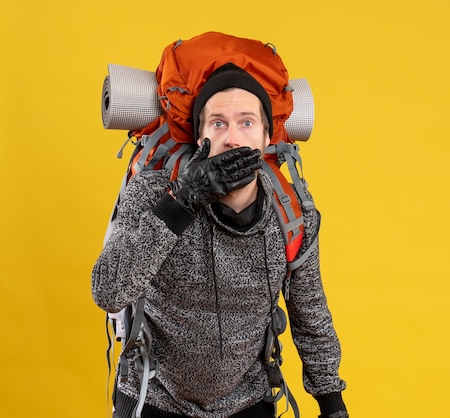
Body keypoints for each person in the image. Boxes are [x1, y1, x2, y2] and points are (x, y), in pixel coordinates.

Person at [92, 62, 348, 418]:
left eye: (247, 122)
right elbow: (108, 290)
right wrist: (182, 202)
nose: (232, 137)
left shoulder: (291, 215)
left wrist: (331, 404)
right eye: (218, 123)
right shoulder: (152, 192)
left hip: (248, 401)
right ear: (201, 139)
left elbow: (310, 316)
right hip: (152, 396)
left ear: (266, 137)